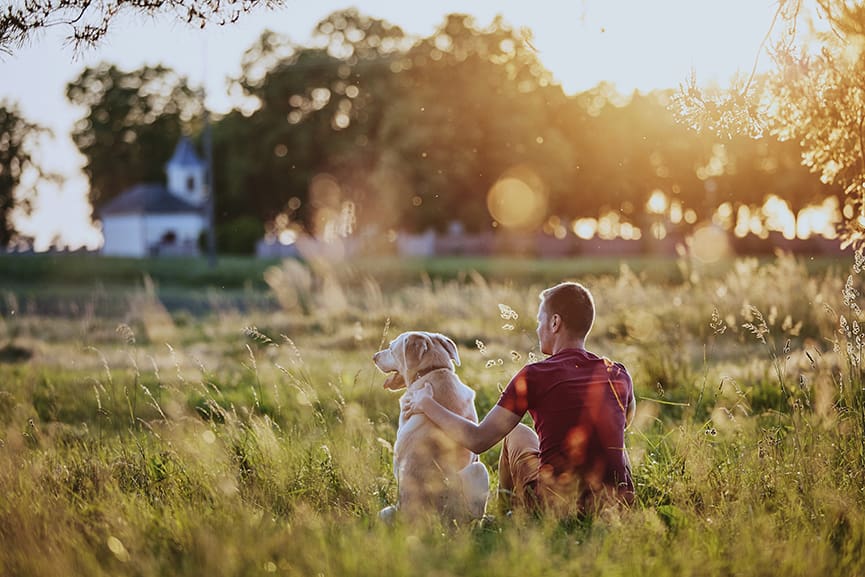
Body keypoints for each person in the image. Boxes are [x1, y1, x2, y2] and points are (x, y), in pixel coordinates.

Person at [404, 281, 636, 516]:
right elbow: (624, 423)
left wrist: (426, 403)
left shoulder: (535, 375)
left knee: (514, 434)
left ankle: (508, 518)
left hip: (556, 505)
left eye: (540, 320)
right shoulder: (618, 372)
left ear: (555, 323)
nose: (537, 329)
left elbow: (478, 440)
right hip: (616, 504)